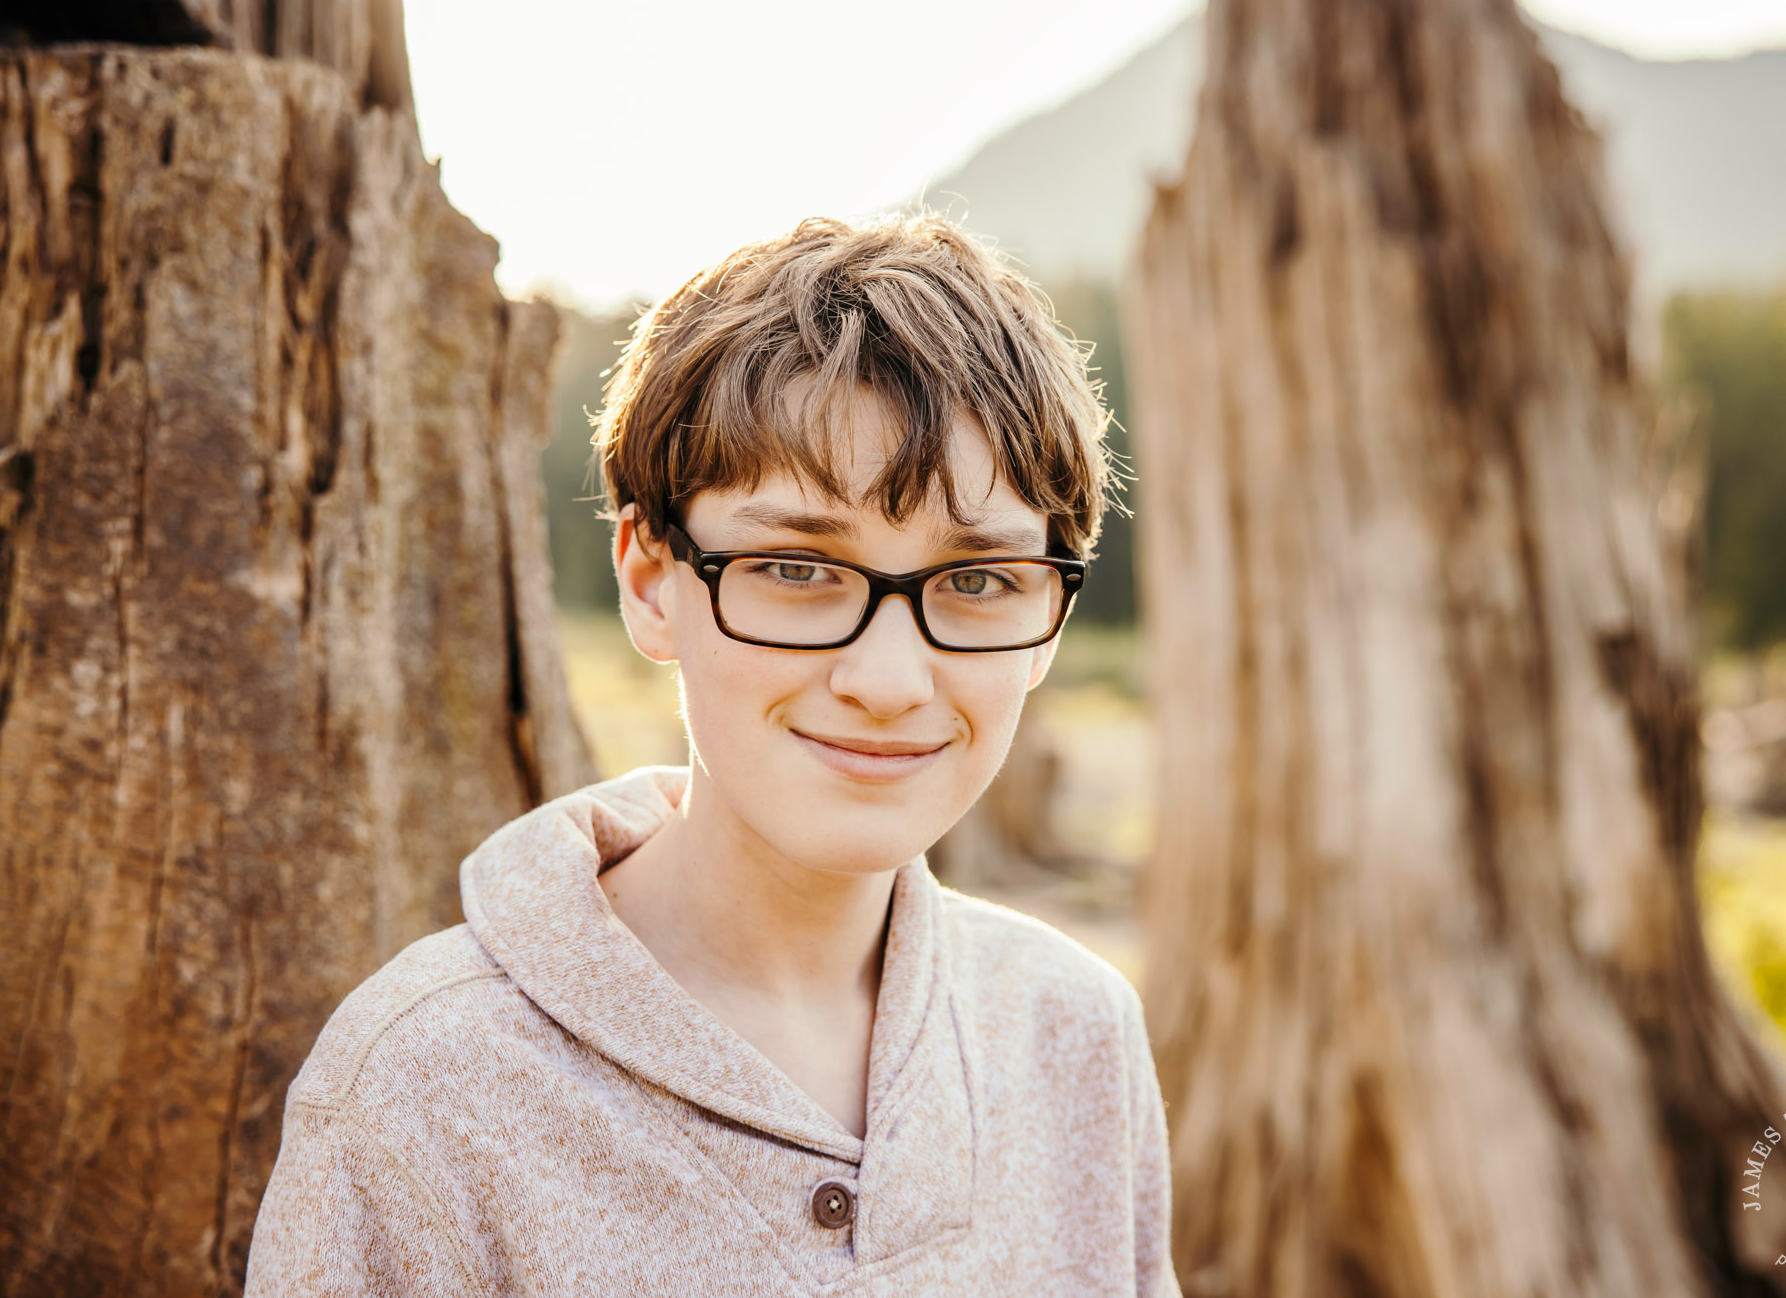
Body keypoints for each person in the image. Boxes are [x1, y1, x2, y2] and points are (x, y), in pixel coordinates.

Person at [245, 214, 1179, 1295]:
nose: (888, 679)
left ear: (1050, 623)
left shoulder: (1073, 1030)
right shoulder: (417, 1090)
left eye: (974, 582)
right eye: (794, 568)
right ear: (650, 580)